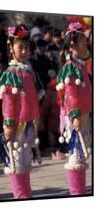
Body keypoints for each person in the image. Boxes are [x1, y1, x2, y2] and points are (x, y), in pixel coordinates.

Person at [0, 25, 40, 199]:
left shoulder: (28, 71)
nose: (24, 51)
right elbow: (8, 101)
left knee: (26, 161)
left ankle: (26, 195)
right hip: (16, 125)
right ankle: (20, 196)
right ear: (11, 49)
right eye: (20, 47)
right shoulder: (10, 73)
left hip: (29, 123)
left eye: (26, 47)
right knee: (16, 161)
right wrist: (8, 123)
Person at [56, 22, 92, 195]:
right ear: (73, 45)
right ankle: (77, 194)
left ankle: (81, 192)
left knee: (81, 159)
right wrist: (76, 115)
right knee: (76, 157)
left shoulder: (80, 65)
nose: (87, 44)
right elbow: (70, 94)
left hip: (83, 116)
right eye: (84, 41)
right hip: (75, 117)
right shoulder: (70, 67)